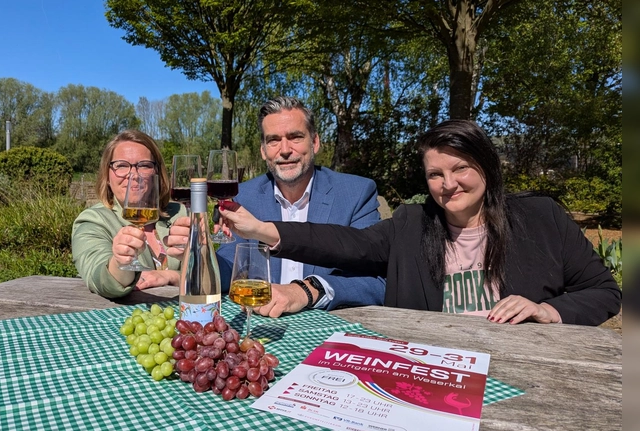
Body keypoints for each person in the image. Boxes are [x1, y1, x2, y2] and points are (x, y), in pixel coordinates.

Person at [217, 120, 621, 326]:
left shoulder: (541, 217)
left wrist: (547, 310)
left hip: (519, 363)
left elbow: (605, 291)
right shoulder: (412, 223)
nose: (448, 184)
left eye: (460, 168)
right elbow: (346, 244)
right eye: (434, 174)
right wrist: (262, 230)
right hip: (431, 366)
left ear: (487, 165)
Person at [170, 96, 386, 317]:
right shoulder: (243, 195)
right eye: (273, 140)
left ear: (315, 143)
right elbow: (228, 269)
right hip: (259, 325)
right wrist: (198, 252)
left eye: (295, 137)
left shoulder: (355, 193)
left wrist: (304, 292)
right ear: (263, 151)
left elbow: (377, 281)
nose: (284, 150)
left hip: (332, 327)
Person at [72, 130, 186, 298]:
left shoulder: (179, 213)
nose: (133, 174)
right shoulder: (93, 221)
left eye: (144, 165)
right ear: (107, 176)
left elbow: (209, 273)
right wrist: (119, 262)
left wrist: (171, 276)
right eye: (121, 165)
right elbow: (100, 278)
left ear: (157, 173)